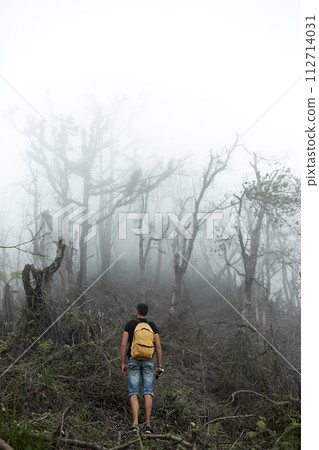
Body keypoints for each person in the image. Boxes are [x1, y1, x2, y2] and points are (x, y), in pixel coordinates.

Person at [121, 303, 163, 434]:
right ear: (147, 313)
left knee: (133, 392)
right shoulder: (152, 326)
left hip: (133, 360)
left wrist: (123, 363)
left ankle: (135, 425)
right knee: (147, 392)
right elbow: (158, 347)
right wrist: (159, 366)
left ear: (136, 311)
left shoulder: (130, 324)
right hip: (148, 362)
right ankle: (148, 426)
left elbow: (123, 345)